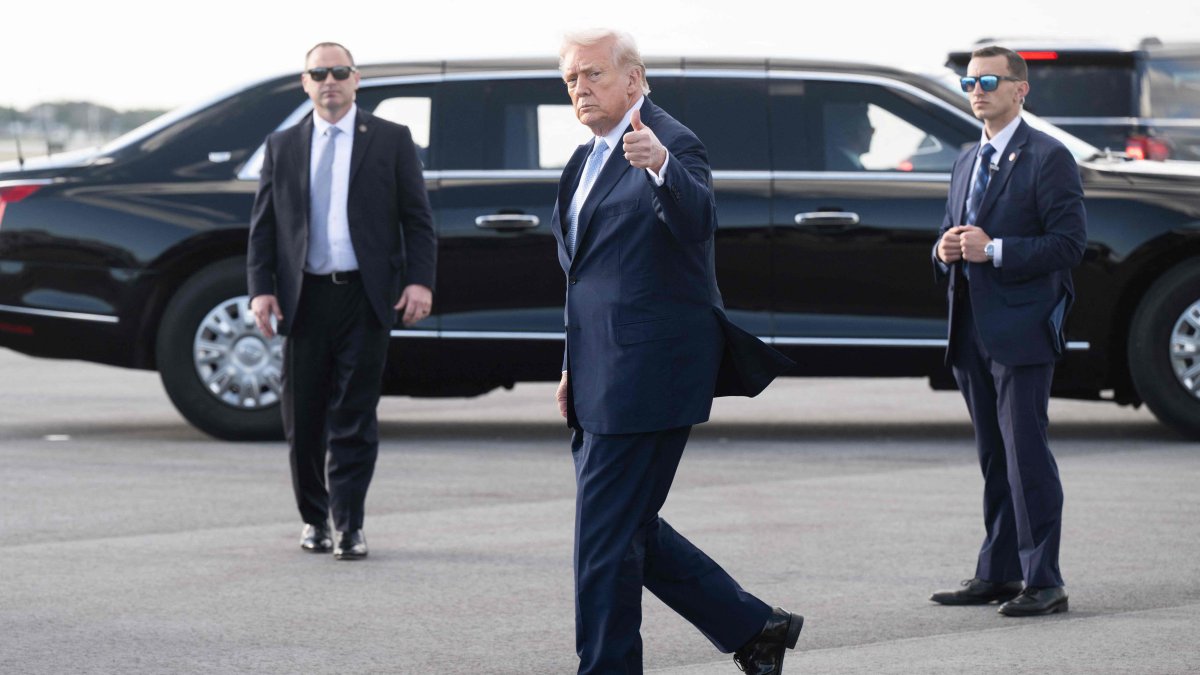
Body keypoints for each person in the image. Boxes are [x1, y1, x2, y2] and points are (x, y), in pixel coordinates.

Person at [552, 29, 801, 674]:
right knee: (626, 527)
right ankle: (753, 625)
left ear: (633, 79)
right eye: (571, 79)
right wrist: (570, 365)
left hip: (648, 373)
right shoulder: (583, 161)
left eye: (593, 75)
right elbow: (587, 275)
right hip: (597, 372)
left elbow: (696, 223)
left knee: (604, 540)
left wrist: (660, 164)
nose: (580, 88)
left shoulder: (671, 141)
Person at [247, 42, 436, 560]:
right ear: (305, 83)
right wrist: (260, 287)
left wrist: (420, 281)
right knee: (303, 418)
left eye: (339, 71)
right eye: (318, 73)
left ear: (357, 80)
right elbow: (264, 225)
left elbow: (417, 219)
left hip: (365, 296)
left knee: (355, 414)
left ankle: (349, 524)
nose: (329, 80)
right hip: (303, 298)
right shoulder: (282, 145)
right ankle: (314, 519)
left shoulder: (392, 140)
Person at [931, 46, 1086, 616]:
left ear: (1020, 89)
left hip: (1021, 330)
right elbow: (949, 233)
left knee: (1026, 456)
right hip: (970, 328)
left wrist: (994, 250)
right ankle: (997, 572)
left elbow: (1069, 246)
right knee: (995, 457)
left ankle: (1045, 580)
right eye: (969, 81)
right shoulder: (966, 159)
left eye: (989, 80)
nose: (977, 89)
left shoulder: (1049, 158)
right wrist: (943, 248)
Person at [824, 102, 874, 171]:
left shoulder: (839, 162)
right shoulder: (841, 167)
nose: (871, 134)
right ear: (859, 131)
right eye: (871, 130)